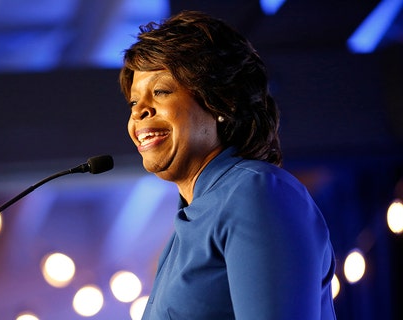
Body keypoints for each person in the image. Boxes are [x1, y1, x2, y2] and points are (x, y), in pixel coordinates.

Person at [120, 11, 336, 320]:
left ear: (219, 101)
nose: (139, 111)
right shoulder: (185, 227)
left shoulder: (255, 193)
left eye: (161, 91)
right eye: (133, 102)